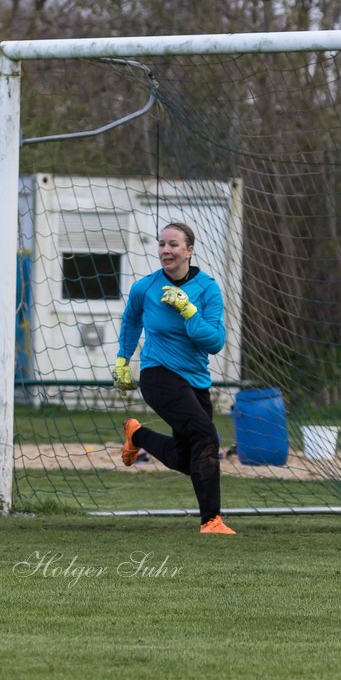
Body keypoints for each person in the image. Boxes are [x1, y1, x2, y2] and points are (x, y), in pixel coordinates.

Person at [113, 221, 233, 535]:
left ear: (189, 251)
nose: (166, 250)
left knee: (188, 456)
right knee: (206, 437)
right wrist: (123, 360)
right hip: (157, 375)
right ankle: (211, 522)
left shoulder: (207, 289)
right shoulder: (145, 288)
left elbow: (214, 342)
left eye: (173, 245)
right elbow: (130, 322)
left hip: (195, 380)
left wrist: (189, 310)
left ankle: (136, 435)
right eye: (162, 244)